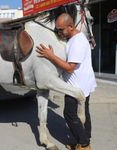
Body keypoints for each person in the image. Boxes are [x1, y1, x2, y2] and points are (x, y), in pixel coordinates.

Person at [36, 13, 96, 150]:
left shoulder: (78, 42)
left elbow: (69, 68)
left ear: (70, 26)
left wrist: (51, 57)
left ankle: (84, 145)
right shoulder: (73, 38)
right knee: (84, 113)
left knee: (69, 115)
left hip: (77, 86)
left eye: (61, 30)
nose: (59, 32)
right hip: (82, 83)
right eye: (57, 30)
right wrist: (54, 54)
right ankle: (84, 140)